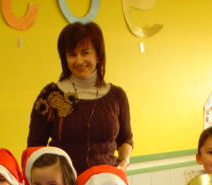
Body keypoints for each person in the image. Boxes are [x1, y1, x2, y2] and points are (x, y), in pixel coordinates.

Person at [27, 22, 133, 175]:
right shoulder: (50, 95)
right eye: (72, 54)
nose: (78, 61)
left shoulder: (117, 96)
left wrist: (123, 163)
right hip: (64, 184)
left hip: (108, 182)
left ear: (98, 55)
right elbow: (35, 146)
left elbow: (125, 138)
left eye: (85, 53)